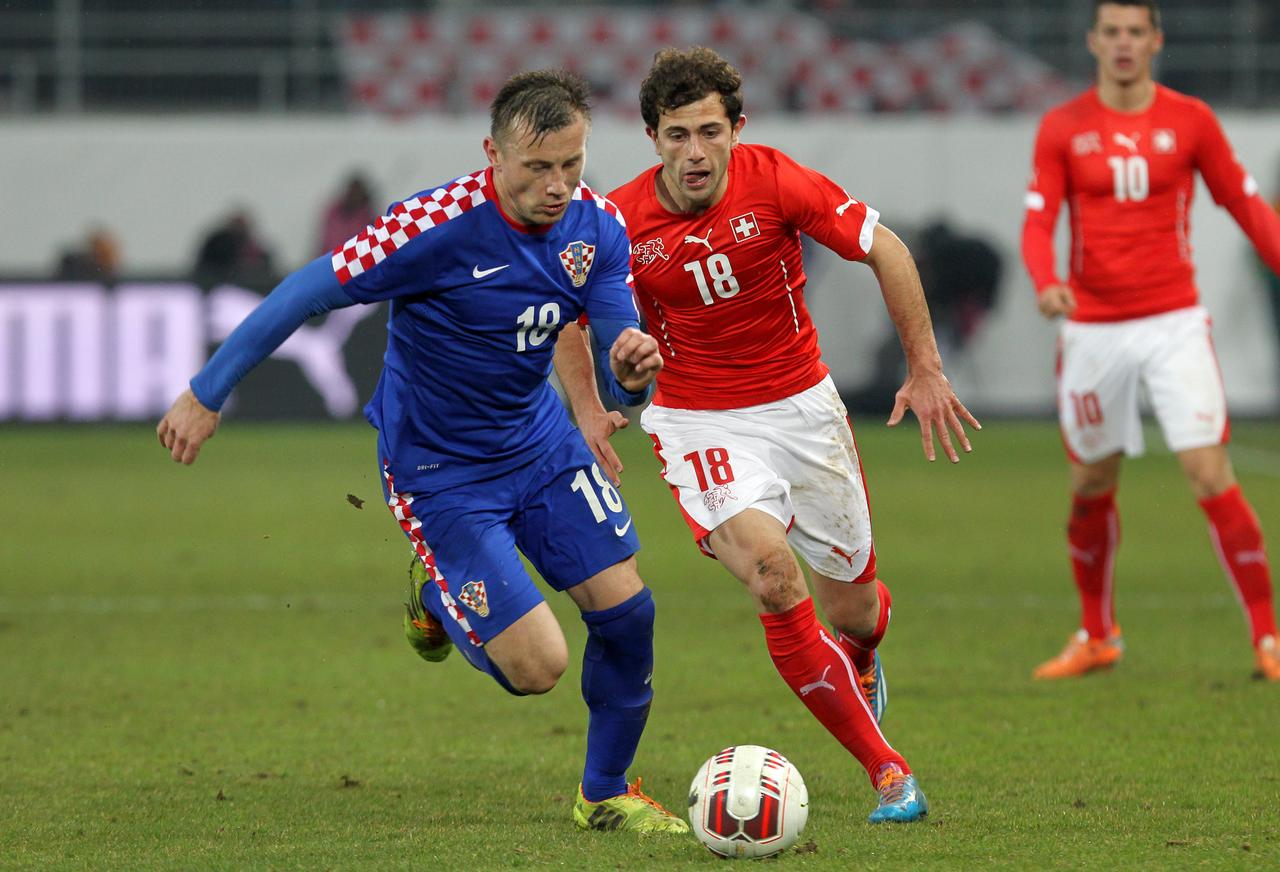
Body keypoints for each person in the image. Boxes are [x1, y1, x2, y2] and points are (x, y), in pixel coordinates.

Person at [157, 69, 689, 834]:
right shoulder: (434, 225)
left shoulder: (597, 229)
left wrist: (628, 384)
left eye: (571, 164)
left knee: (629, 613)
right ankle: (438, 594)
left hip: (539, 444)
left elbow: (617, 361)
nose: (558, 184)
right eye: (538, 167)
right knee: (539, 668)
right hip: (441, 473)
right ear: (492, 155)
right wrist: (207, 392)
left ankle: (604, 793)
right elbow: (309, 289)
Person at [567, 46, 979, 824]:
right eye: (679, 134)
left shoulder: (779, 179)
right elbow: (567, 310)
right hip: (696, 421)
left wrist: (925, 367)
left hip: (802, 410)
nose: (696, 152)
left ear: (737, 128)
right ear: (652, 136)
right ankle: (889, 773)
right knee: (773, 576)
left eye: (711, 132)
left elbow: (884, 248)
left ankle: (857, 653)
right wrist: (592, 406)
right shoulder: (617, 222)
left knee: (855, 609)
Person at [1021, 0, 1280, 681]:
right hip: (1093, 331)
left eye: (1137, 31)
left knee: (1207, 470)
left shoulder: (1190, 120)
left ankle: (1267, 638)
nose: (1125, 42)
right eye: (1113, 31)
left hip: (1173, 323)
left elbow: (1248, 206)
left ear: (1157, 40)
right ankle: (1098, 633)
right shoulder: (1062, 126)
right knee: (1091, 482)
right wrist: (1046, 280)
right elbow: (1038, 220)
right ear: (1093, 42)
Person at [318, 173, 379, 255]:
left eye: (357, 193)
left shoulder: (368, 216)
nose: (354, 196)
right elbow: (325, 241)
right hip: (331, 259)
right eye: (353, 192)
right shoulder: (334, 213)